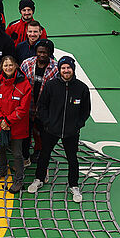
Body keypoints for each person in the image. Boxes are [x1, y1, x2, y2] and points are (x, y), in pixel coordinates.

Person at [28, 56, 91, 203]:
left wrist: (77, 125)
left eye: (68, 68)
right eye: (63, 68)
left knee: (72, 159)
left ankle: (74, 186)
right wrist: (48, 122)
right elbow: (42, 106)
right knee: (44, 155)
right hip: (51, 129)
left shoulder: (82, 88)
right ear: (59, 69)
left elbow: (85, 111)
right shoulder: (51, 86)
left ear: (73, 69)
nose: (66, 70)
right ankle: (39, 179)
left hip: (71, 132)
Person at [0, 56, 32, 193]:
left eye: (10, 65)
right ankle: (2, 169)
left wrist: (7, 122)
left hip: (16, 127)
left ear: (16, 66)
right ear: (2, 67)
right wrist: (1, 121)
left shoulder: (25, 85)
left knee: (17, 154)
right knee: (0, 148)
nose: (8, 68)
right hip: (0, 125)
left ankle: (19, 180)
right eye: (5, 65)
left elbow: (23, 109)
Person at [19, 38, 59, 164]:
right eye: (39, 52)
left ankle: (39, 153)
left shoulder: (56, 69)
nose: (41, 55)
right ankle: (25, 158)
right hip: (27, 108)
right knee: (25, 135)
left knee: (42, 136)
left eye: (45, 52)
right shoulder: (26, 64)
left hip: (44, 110)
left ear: (50, 53)